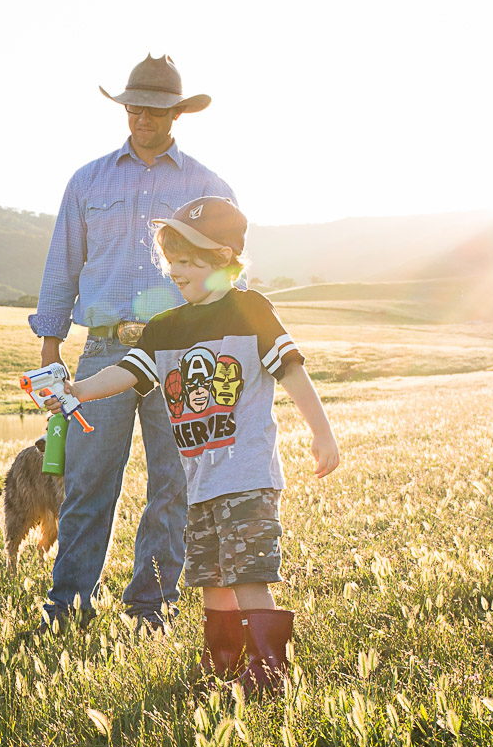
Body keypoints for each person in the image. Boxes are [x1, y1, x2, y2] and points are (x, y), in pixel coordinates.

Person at [48, 197, 339, 692]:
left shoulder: (250, 309)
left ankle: (270, 671)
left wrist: (322, 431)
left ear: (224, 260)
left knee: (248, 574)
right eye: (171, 261)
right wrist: (79, 389)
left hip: (246, 474)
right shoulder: (166, 328)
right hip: (198, 481)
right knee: (209, 576)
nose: (174, 271)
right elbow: (127, 371)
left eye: (187, 262)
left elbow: (291, 368)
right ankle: (223, 660)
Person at [30, 54, 239, 632]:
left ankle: (150, 605)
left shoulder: (207, 187)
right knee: (88, 482)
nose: (142, 116)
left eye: (155, 107)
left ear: (177, 113)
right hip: (103, 351)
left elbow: (228, 273)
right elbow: (61, 265)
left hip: (182, 354)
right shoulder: (88, 180)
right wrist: (50, 346)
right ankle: (68, 604)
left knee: (173, 485)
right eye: (133, 106)